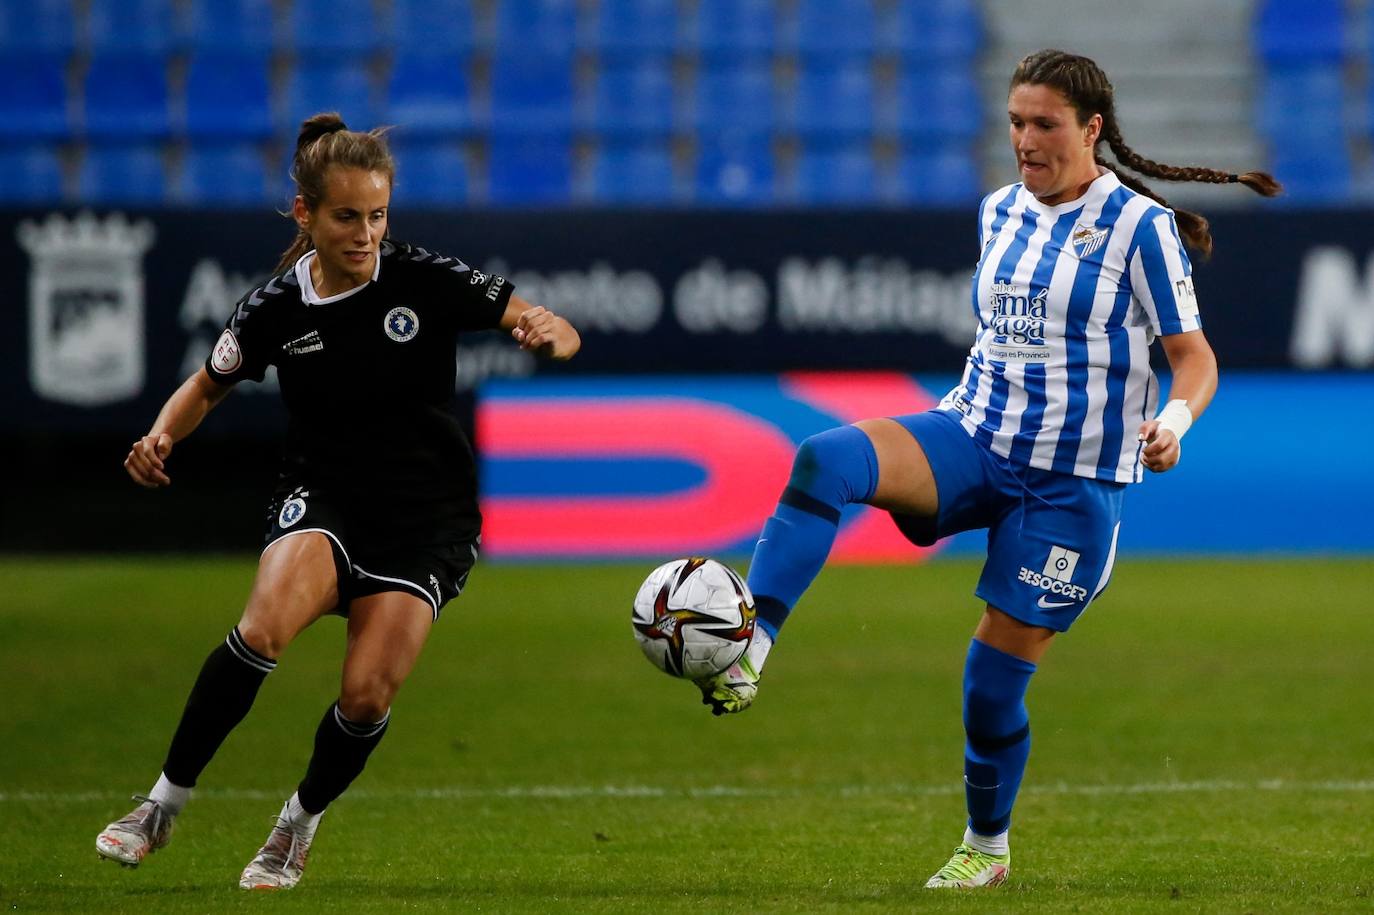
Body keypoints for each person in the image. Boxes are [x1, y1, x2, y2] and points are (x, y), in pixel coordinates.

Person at [693, 49, 1280, 888]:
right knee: (824, 459)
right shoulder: (998, 211)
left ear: (1091, 129)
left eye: (1044, 124)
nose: (1025, 140)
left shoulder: (1139, 227)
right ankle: (754, 643)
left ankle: (987, 845)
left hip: (1069, 488)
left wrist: (1175, 419)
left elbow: (1194, 358)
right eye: (1015, 122)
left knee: (990, 684)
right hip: (974, 438)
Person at [95, 112, 581, 890]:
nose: (365, 234)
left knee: (366, 693)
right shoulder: (274, 308)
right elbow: (209, 384)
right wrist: (161, 436)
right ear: (306, 215)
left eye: (378, 216)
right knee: (263, 626)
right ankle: (160, 804)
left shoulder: (424, 277)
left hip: (426, 516)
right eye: (347, 216)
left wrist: (548, 331)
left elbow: (542, 320)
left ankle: (297, 822)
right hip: (324, 493)